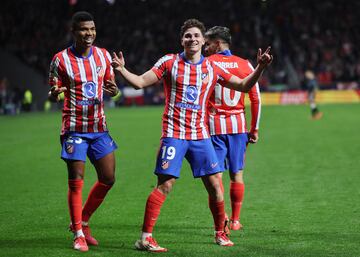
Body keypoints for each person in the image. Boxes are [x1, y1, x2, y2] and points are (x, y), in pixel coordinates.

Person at [112, 18, 272, 252]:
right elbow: (140, 82)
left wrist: (260, 68)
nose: (193, 39)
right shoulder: (169, 62)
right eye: (188, 36)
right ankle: (145, 238)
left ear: (203, 40)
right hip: (174, 134)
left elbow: (244, 86)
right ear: (182, 40)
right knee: (165, 185)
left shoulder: (212, 67)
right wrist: (122, 69)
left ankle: (220, 233)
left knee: (216, 185)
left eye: (197, 36)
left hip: (200, 135)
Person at [47, 11, 120, 252]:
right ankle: (78, 232)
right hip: (74, 129)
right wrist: (54, 94)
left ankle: (84, 220)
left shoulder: (103, 55)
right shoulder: (60, 59)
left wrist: (114, 91)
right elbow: (53, 90)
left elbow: (112, 87)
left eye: (92, 29)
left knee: (108, 178)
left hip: (99, 128)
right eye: (83, 29)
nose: (88, 33)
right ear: (74, 32)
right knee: (76, 181)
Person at [204, 26, 261, 232]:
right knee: (237, 174)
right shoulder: (245, 64)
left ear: (218, 44)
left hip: (213, 128)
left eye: (208, 43)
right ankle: (236, 220)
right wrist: (254, 129)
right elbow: (255, 99)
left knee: (215, 175)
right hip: (238, 128)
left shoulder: (207, 64)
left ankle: (223, 217)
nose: (205, 48)